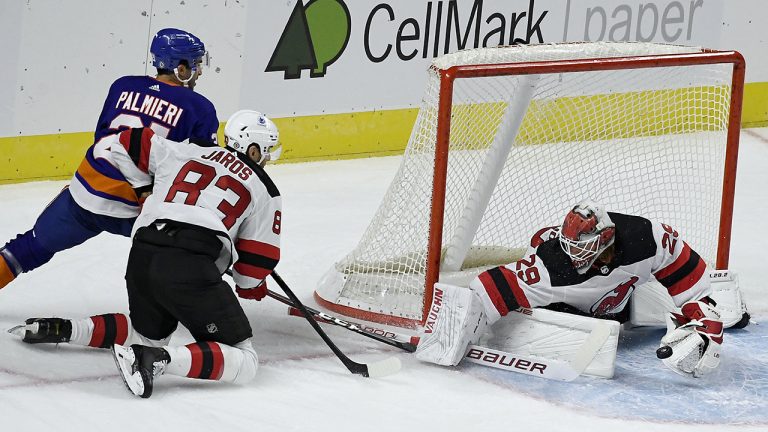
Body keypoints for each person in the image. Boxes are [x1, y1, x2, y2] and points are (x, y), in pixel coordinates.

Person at [10, 110, 282, 398]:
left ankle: (63, 329)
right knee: (245, 359)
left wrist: (144, 192)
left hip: (145, 248)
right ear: (253, 149)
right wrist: (251, 283)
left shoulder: (191, 148)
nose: (266, 159)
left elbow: (126, 141)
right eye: (265, 151)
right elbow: (251, 274)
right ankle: (157, 360)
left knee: (146, 335)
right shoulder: (265, 188)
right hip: (190, 262)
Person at [0, 28, 218, 290]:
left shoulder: (122, 85)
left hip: (86, 194)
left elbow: (102, 133)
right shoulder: (199, 107)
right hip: (138, 208)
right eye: (195, 64)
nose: (200, 71)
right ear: (180, 68)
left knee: (30, 247)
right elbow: (203, 169)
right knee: (197, 247)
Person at [415, 201, 727, 378]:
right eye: (569, 246)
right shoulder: (551, 268)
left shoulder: (647, 237)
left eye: (581, 247)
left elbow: (685, 268)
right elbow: (485, 287)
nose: (572, 254)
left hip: (619, 304)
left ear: (605, 239)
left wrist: (701, 312)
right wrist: (447, 334)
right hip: (568, 310)